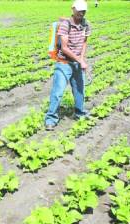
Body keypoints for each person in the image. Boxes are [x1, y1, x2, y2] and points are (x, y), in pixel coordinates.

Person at [45, 0, 91, 131]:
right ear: (73, 9)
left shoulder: (86, 25)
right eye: (79, 10)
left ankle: (79, 113)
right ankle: (51, 119)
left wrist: (81, 59)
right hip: (64, 62)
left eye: (84, 10)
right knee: (58, 92)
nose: (81, 13)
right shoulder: (66, 25)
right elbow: (64, 48)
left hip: (77, 63)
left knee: (79, 91)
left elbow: (84, 43)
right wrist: (80, 60)